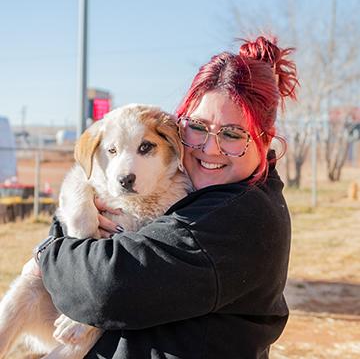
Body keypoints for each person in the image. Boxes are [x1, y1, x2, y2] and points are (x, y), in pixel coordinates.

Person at [31, 35, 299, 358]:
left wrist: (48, 254)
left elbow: (108, 285)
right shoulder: (205, 190)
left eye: (232, 134)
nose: (209, 148)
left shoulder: (239, 218)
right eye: (198, 127)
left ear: (265, 138)